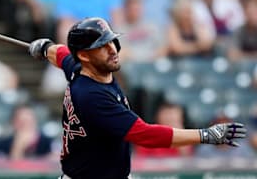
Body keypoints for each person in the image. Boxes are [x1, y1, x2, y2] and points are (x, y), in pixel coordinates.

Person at [28, 17, 247, 178]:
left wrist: (45, 47)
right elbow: (145, 134)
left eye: (111, 42)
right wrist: (206, 135)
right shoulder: (92, 96)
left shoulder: (79, 67)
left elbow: (61, 54)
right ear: (85, 55)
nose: (112, 49)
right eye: (101, 46)